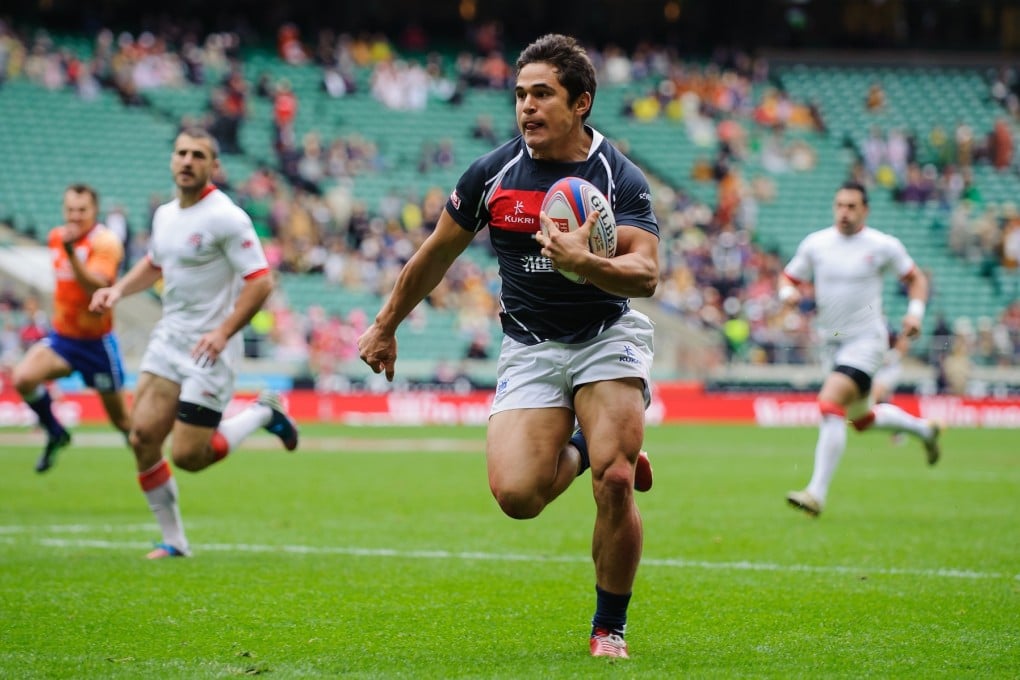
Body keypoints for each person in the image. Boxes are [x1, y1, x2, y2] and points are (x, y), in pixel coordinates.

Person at [358, 34, 659, 659]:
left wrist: (585, 261)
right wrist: (385, 324)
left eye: (542, 94)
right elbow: (436, 253)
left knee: (617, 479)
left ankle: (609, 629)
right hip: (529, 345)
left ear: (581, 103)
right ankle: (585, 441)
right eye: (520, 94)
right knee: (519, 497)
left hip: (607, 335)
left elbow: (647, 274)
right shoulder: (493, 174)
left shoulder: (615, 175)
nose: (526, 106)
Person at [90, 127, 300, 559]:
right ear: (172, 161)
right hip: (169, 339)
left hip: (211, 349)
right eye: (181, 153)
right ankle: (175, 542)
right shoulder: (165, 214)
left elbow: (261, 283)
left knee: (189, 456)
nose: (187, 161)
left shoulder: (227, 217)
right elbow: (154, 263)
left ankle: (263, 412)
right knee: (142, 436)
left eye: (198, 155)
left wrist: (223, 332)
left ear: (213, 166)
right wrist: (118, 291)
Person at [779, 181, 942, 517]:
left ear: (865, 210)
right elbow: (788, 278)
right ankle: (923, 430)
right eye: (840, 205)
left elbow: (916, 279)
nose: (845, 212)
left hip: (866, 341)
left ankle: (816, 493)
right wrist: (787, 295)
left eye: (852, 206)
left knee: (830, 402)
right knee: (862, 419)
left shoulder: (883, 245)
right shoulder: (817, 244)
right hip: (831, 344)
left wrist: (914, 314)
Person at [12, 184, 131, 473]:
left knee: (123, 423)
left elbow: (97, 287)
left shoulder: (105, 242)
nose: (75, 216)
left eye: (82, 210)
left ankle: (147, 460)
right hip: (64, 340)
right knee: (23, 378)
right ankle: (55, 432)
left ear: (94, 211)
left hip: (96, 344)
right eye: (70, 210)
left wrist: (71, 254)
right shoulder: (56, 237)